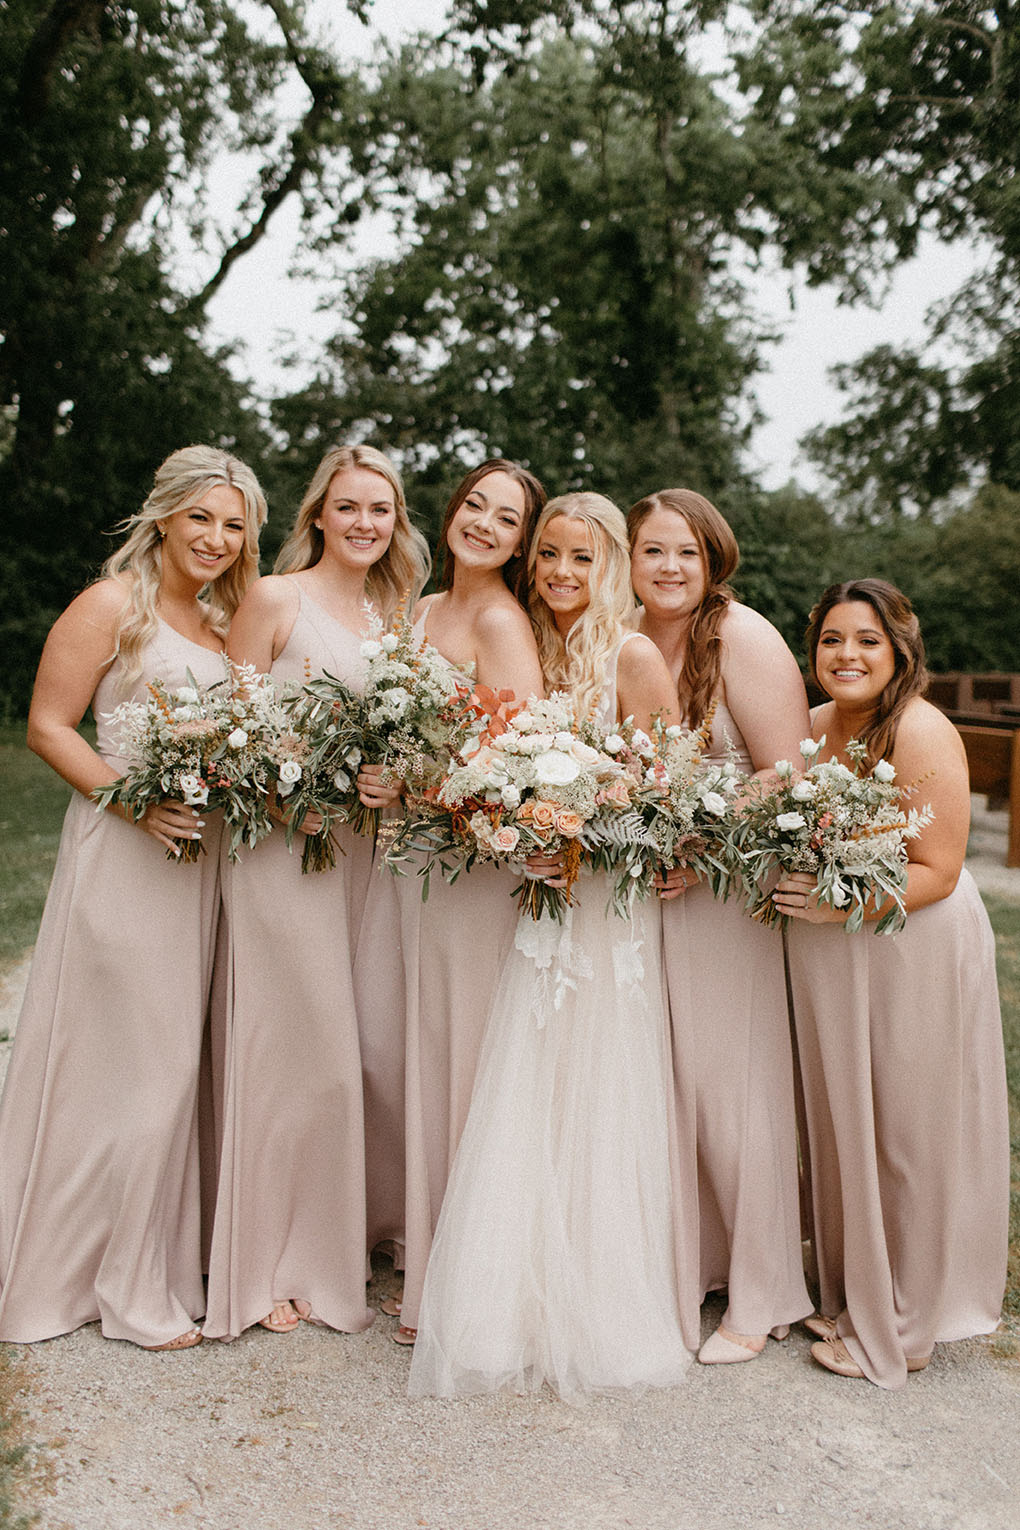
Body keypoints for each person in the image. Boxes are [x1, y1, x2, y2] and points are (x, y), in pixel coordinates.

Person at [409, 491, 693, 1399]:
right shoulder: (529, 638)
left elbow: (664, 796)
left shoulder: (632, 654)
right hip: (541, 894)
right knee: (527, 1076)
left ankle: (598, 1298)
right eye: (550, 558)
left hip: (604, 901)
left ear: (609, 564)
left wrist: (590, 822)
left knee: (596, 1078)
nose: (562, 575)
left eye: (581, 559)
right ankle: (510, 1296)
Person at [0, 445, 266, 1350]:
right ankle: (124, 1291)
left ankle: (129, 1259)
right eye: (202, 518)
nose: (218, 540)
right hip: (124, 858)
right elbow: (47, 724)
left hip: (199, 870)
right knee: (143, 1067)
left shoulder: (221, 619)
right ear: (163, 516)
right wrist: (133, 800)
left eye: (235, 527)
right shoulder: (113, 605)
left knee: (159, 1067)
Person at [202, 444, 429, 1340]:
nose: (365, 522)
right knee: (300, 1050)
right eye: (349, 507)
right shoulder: (274, 599)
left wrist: (395, 779)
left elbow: (416, 736)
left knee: (369, 1046)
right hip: (282, 849)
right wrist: (283, 793)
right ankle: (276, 1257)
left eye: (382, 509)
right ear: (319, 517)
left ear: (396, 521)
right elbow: (229, 729)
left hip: (371, 857)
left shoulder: (397, 615)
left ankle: (360, 1223)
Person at [774, 579, 1009, 1386]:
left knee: (909, 1129)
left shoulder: (919, 729)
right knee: (848, 1122)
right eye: (833, 639)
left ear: (900, 649)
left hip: (913, 943)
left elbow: (939, 871)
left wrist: (835, 905)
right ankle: (858, 1291)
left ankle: (905, 1325)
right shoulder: (811, 729)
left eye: (867, 640)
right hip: (839, 952)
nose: (847, 655)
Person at [360, 458, 546, 1344]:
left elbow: (521, 764)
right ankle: (416, 1238)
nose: (482, 523)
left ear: (519, 542)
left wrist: (421, 782)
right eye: (475, 503)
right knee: (410, 1045)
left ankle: (457, 1273)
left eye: (505, 519)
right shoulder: (425, 607)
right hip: (411, 863)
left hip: (471, 871)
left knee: (463, 1057)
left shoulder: (505, 621)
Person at [628, 488, 812, 1362]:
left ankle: (764, 1290)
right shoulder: (625, 634)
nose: (669, 568)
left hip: (728, 887)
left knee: (733, 1088)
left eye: (686, 555)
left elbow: (785, 772)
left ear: (714, 561)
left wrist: (700, 843)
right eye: (654, 550)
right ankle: (701, 1261)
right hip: (647, 889)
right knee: (668, 1083)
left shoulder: (742, 635)